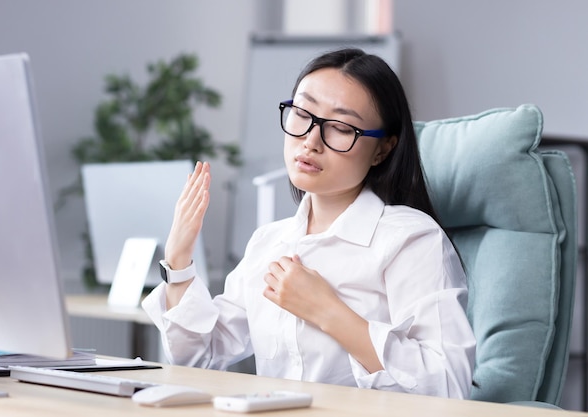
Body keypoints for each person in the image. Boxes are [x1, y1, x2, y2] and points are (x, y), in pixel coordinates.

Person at [142, 48, 476, 399]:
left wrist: (328, 311)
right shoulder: (269, 243)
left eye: (342, 127)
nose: (311, 140)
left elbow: (449, 384)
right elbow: (199, 358)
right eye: (303, 114)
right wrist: (178, 258)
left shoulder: (411, 240)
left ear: (383, 149)